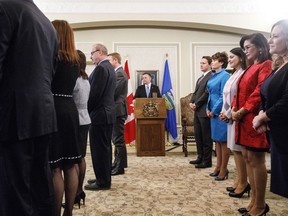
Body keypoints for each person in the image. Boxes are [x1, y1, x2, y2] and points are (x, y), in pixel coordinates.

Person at [0, 0, 58, 215]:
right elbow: (50, 72)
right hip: (42, 115)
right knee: (40, 191)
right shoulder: (46, 22)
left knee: (13, 196)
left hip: (13, 119)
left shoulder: (5, 7)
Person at [231, 33, 272, 216]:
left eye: (248, 47)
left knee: (257, 161)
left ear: (260, 47)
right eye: (244, 48)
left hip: (253, 118)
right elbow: (238, 91)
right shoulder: (249, 67)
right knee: (247, 158)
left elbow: (259, 91)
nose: (245, 51)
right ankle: (253, 201)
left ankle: (261, 204)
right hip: (242, 119)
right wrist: (233, 108)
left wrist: (243, 110)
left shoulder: (265, 65)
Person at [252, 19, 288, 199]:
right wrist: (262, 113)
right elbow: (265, 93)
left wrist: (263, 117)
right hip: (278, 133)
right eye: (270, 36)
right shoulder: (279, 66)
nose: (269, 41)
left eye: (275, 36)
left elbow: (286, 101)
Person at [50, 20, 81, 216]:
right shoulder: (75, 60)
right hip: (70, 109)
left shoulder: (52, 57)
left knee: (55, 167)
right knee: (71, 164)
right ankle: (68, 211)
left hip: (53, 109)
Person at [219, 48, 250, 198]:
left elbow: (240, 96)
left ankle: (244, 183)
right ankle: (240, 180)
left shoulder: (244, 73)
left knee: (238, 149)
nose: (230, 60)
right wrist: (224, 113)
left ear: (241, 57)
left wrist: (230, 113)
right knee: (234, 149)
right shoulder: (234, 73)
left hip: (237, 116)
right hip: (230, 115)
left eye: (232, 57)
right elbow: (226, 96)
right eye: (229, 57)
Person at [85, 44, 116, 190]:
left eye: (92, 53)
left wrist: (86, 110)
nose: (90, 56)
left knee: (99, 150)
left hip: (100, 114)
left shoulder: (101, 68)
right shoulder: (109, 67)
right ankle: (102, 177)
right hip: (106, 114)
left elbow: (94, 95)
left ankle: (103, 181)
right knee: (104, 149)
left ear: (100, 52)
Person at [206, 52, 230, 180]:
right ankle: (218, 166)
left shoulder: (225, 75)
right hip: (212, 111)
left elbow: (223, 96)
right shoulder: (213, 75)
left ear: (221, 63)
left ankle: (224, 169)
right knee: (217, 141)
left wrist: (214, 110)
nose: (212, 62)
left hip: (221, 112)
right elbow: (210, 94)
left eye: (215, 60)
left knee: (223, 141)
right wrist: (207, 108)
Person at [72, 50, 91, 208]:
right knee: (81, 156)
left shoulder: (74, 79)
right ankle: (79, 190)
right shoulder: (86, 79)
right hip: (85, 119)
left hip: (75, 120)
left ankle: (76, 192)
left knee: (74, 159)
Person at [189, 56, 213, 168]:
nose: (201, 65)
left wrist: (196, 104)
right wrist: (191, 102)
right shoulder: (200, 78)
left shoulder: (211, 76)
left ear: (209, 64)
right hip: (197, 111)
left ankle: (207, 161)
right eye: (200, 63)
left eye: (203, 63)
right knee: (198, 135)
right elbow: (195, 92)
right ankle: (200, 157)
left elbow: (206, 93)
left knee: (206, 137)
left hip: (204, 111)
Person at [108, 52, 128, 176]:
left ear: (115, 60)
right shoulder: (118, 73)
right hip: (116, 109)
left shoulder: (120, 74)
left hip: (118, 110)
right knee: (116, 139)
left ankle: (120, 167)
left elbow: (113, 92)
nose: (108, 63)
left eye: (109, 60)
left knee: (118, 140)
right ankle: (117, 163)